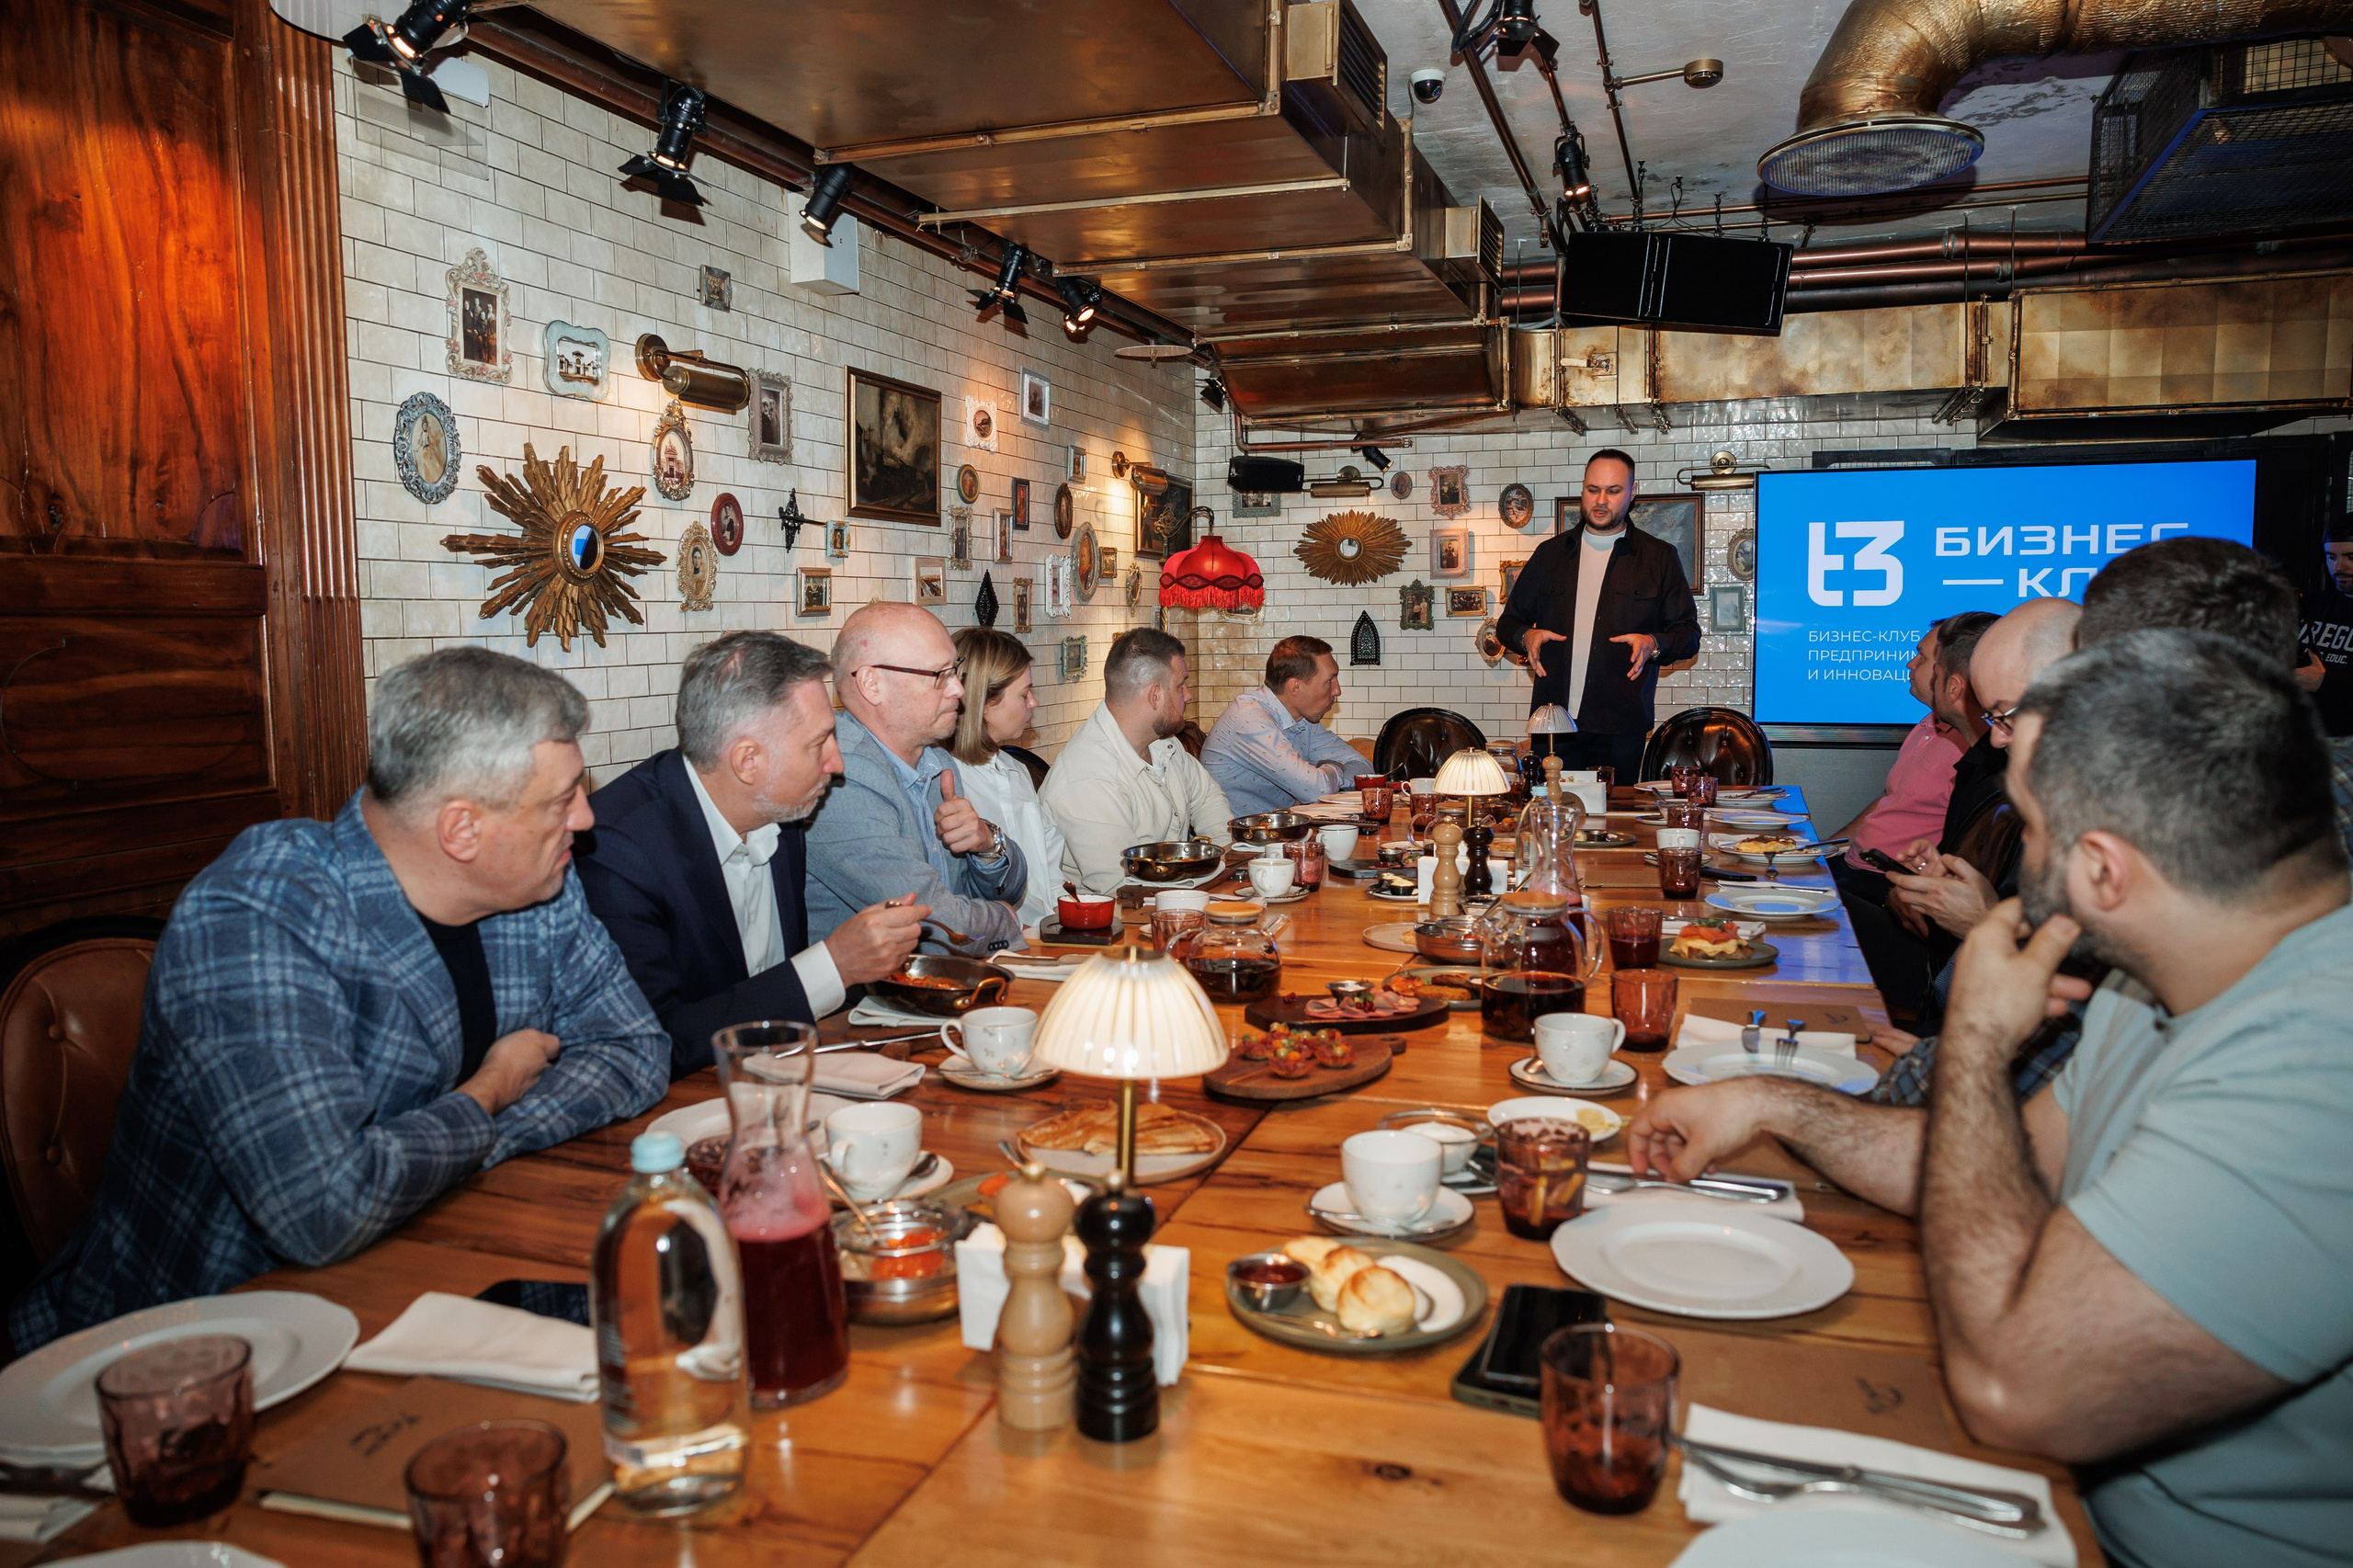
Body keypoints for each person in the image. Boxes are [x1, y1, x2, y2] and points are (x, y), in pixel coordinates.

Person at [1629, 631, 2353, 1568]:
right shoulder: (2161, 983)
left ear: (2102, 869)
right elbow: (2006, 1159)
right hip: (2056, 1483)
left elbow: (2013, 1388)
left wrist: (1970, 1034)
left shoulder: (2314, 1061)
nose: (2020, 854)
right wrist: (1770, 1104)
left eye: (2030, 827)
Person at [8, 650, 669, 1350]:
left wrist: (449, 1151)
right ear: (462, 830)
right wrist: (490, 1091)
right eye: (562, 798)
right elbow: (324, 1208)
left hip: (440, 1269)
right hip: (198, 1344)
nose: (588, 818)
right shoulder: (257, 913)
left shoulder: (538, 883)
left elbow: (635, 1049)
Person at [575, 632, 926, 1077]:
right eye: (818, 744)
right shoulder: (615, 851)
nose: (837, 764)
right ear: (747, 762)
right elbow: (657, 1040)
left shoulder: (782, 809)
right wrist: (835, 965)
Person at [803, 604, 1027, 957]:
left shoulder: (934, 759)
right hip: (859, 1005)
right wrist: (1009, 922)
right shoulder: (841, 776)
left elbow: (1002, 889)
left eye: (954, 671)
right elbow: (934, 922)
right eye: (939, 675)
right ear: (872, 684)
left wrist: (987, 844)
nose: (958, 689)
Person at [1882, 597, 2081, 946]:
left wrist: (1985, 924)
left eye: (2006, 716)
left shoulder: (2118, 813)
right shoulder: (2032, 785)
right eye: (1992, 718)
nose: (1998, 737)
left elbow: (2090, 981)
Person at [1495, 449, 1700, 780]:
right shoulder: (1550, 555)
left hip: (1621, 727)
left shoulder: (1659, 558)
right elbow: (1507, 625)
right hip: (1553, 726)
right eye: (1593, 490)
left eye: (1613, 491)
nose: (1601, 500)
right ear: (1583, 490)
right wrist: (1525, 636)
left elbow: (1689, 635)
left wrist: (1653, 642)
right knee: (1553, 819)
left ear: (1633, 493)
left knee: (1617, 824)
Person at [1824, 612, 1987, 1016]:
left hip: (1889, 888)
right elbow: (1889, 801)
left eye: (1922, 657)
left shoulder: (1977, 752)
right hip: (1857, 869)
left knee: (1805, 912)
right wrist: (1825, 847)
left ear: (1954, 678)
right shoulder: (1929, 726)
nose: (1911, 665)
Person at [1040, 628, 1234, 893]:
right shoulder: (1089, 777)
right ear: (1155, 695)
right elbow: (1123, 888)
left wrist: (1222, 859)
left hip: (1175, 899)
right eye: (1180, 685)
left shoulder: (1162, 743)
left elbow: (1207, 799)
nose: (1187, 695)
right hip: (1119, 924)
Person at [947, 627, 1066, 926]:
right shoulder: (949, 781)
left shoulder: (1017, 770)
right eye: (1025, 694)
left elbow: (1051, 868)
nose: (1033, 703)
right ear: (985, 703)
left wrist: (1066, 919)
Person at [1199, 636, 1367, 816]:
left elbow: (1362, 768)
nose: (1337, 690)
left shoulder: (1303, 719)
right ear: (1295, 688)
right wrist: (1335, 768)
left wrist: (1325, 778)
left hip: (1276, 834)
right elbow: (1317, 789)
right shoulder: (1249, 719)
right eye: (1329, 681)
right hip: (1236, 839)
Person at [2298, 518, 2353, 739]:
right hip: (2299, 740)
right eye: (2331, 557)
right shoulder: (2311, 604)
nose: (2338, 567)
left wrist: (2325, 682)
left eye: (2351, 557)